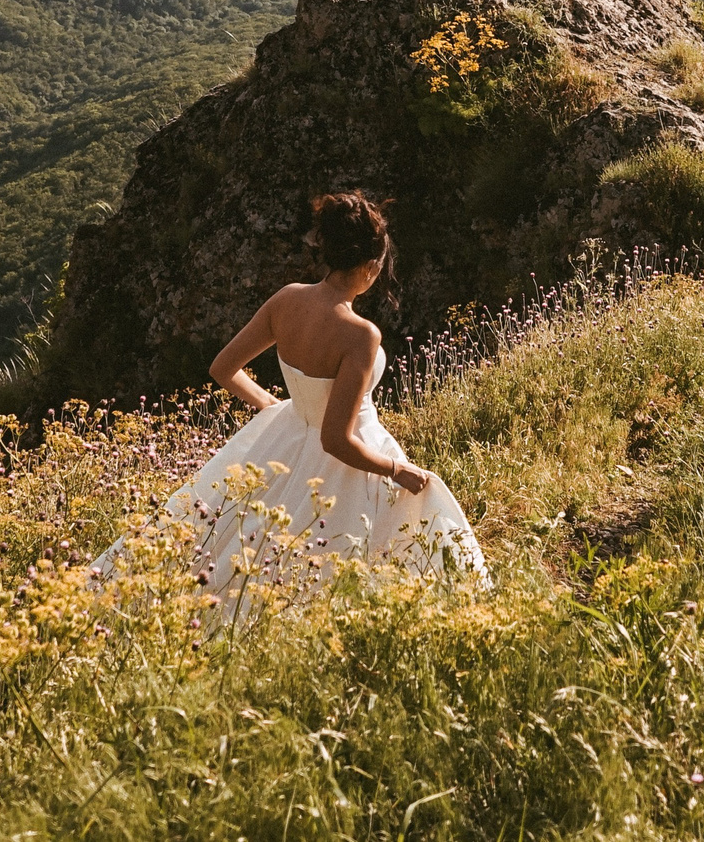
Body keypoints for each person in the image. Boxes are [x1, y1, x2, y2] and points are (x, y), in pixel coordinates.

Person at [97, 191, 484, 601]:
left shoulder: (287, 298)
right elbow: (336, 440)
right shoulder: (360, 334)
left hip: (284, 439)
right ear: (371, 267)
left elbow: (222, 369)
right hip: (349, 461)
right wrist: (395, 469)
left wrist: (273, 406)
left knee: (248, 549)